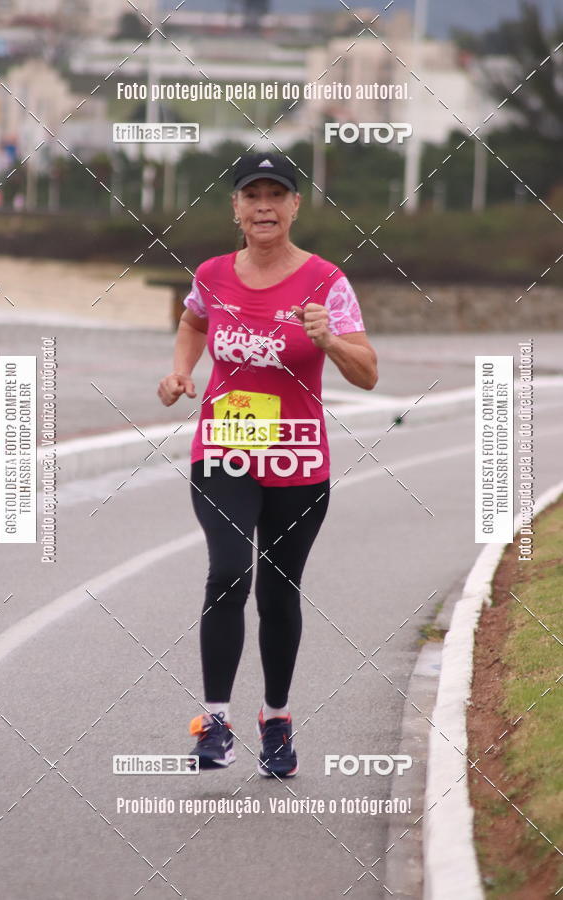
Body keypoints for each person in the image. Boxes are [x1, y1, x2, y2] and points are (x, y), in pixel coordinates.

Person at [157, 151, 378, 778]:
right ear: (235, 207)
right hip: (224, 449)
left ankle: (276, 718)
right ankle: (215, 721)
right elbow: (192, 322)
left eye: (275, 196)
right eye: (251, 196)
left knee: (279, 592)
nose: (263, 208)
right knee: (228, 571)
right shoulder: (211, 274)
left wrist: (330, 339)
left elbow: (368, 374)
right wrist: (181, 371)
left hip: (299, 460)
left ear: (294, 206)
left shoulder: (328, 282)